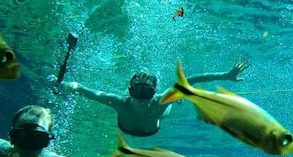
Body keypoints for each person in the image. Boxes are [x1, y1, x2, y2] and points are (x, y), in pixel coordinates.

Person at [61, 57, 251, 137]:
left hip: (158, 115)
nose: (142, 98)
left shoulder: (158, 101)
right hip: (140, 125)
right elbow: (84, 90)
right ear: (129, 91)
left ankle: (177, 99)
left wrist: (226, 75)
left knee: (172, 98)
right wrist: (70, 86)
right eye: (137, 92)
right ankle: (177, 97)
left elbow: (190, 80)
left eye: (147, 92)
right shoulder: (119, 103)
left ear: (154, 92)